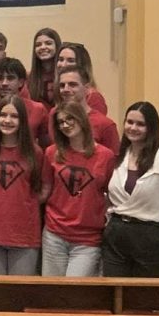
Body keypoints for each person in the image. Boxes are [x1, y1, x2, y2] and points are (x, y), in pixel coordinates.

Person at [103, 102, 159, 278]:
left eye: (140, 124)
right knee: (114, 295)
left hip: (153, 238)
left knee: (146, 300)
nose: (133, 128)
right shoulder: (118, 158)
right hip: (117, 236)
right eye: (129, 122)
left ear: (151, 128)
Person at [0, 95, 51, 275]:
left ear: (23, 120)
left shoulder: (36, 153)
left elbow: (43, 189)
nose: (7, 120)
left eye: (14, 116)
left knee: (19, 296)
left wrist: (25, 204)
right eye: (3, 115)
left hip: (25, 235)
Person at [42, 102, 115, 277]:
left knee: (76, 296)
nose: (65, 125)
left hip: (87, 239)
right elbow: (46, 189)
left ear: (81, 119)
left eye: (70, 118)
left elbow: (111, 195)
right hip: (55, 234)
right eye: (60, 122)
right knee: (51, 294)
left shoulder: (105, 156)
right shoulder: (52, 153)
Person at [0, 57, 50, 147]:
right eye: (0, 78)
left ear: (21, 82)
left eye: (10, 78)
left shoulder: (38, 109)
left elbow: (45, 147)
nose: (4, 83)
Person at [51, 66, 119, 152]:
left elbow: (113, 161)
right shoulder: (55, 117)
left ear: (86, 88)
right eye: (62, 86)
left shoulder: (105, 124)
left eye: (72, 84)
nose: (66, 89)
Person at [55, 42, 108, 114]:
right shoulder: (60, 91)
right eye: (61, 59)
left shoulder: (94, 97)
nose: (63, 64)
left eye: (70, 60)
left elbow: (97, 123)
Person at [28, 27, 61, 108]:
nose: (43, 47)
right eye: (38, 45)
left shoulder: (65, 76)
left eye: (48, 43)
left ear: (57, 46)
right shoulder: (29, 77)